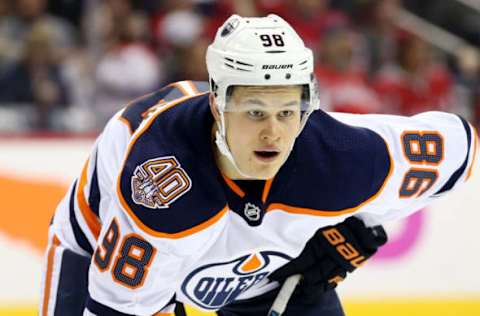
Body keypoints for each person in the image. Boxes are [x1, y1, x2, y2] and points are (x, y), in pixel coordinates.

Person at [40, 14, 477, 316]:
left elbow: (460, 148)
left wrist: (351, 220)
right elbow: (120, 309)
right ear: (217, 104)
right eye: (254, 112)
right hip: (98, 251)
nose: (273, 133)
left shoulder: (341, 155)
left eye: (287, 112)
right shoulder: (161, 187)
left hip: (267, 275)